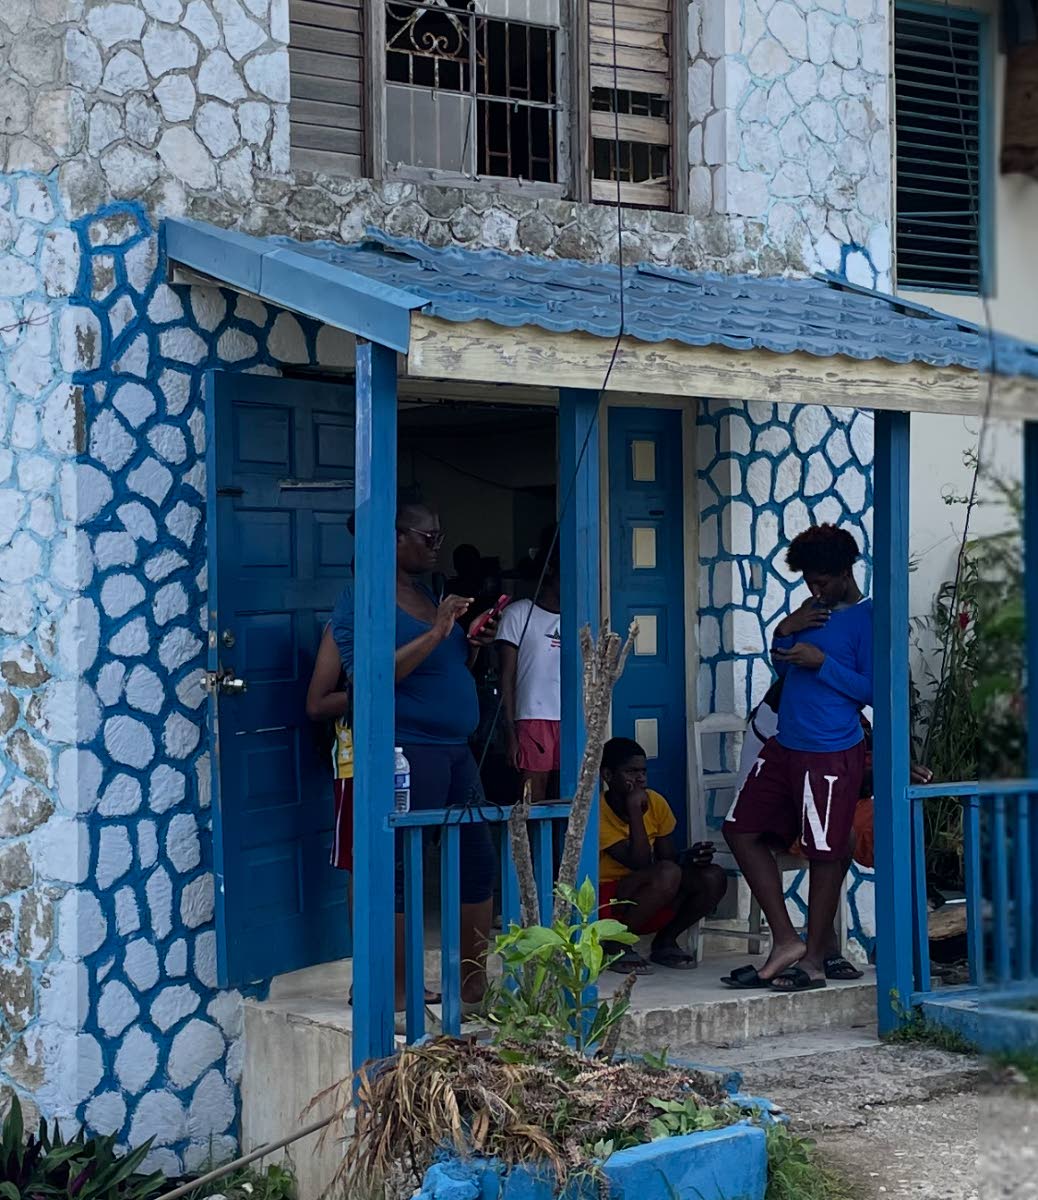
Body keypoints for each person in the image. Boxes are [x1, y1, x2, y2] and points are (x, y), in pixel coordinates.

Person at [330, 500, 499, 1022]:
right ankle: (399, 989)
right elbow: (370, 678)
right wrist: (436, 630)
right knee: (401, 867)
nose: (436, 545)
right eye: (428, 537)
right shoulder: (363, 599)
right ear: (394, 538)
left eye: (439, 536)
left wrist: (470, 644)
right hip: (407, 750)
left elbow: (442, 666)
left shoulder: (428, 596)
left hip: (456, 751)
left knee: (476, 862)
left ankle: (473, 985)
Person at [723, 524, 873, 992]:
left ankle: (813, 960)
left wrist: (822, 664)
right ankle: (785, 940)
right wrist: (784, 629)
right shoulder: (813, 610)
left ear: (846, 572)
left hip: (830, 750)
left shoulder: (869, 619)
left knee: (825, 853)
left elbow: (873, 690)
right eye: (809, 581)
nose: (815, 589)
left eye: (823, 581)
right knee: (740, 829)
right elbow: (783, 658)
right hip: (786, 743)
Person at [599, 737, 727, 973]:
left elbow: (666, 857)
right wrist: (635, 813)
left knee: (713, 876)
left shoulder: (655, 802)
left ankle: (665, 941)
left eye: (643, 772)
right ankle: (616, 943)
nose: (640, 779)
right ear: (607, 775)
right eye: (631, 772)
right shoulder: (598, 811)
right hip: (609, 896)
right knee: (668, 874)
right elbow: (638, 862)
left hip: (651, 891)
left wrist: (690, 857)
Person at [496, 552, 561, 803]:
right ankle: (530, 844)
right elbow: (506, 678)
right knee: (533, 795)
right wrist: (510, 733)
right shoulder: (519, 613)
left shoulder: (580, 616)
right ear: (551, 573)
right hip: (532, 717)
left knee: (569, 794)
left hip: (571, 718)